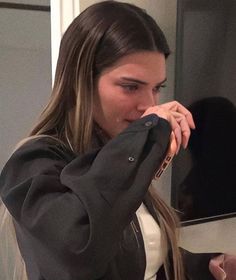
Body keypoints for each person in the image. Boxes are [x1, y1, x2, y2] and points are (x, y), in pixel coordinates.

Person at [0, 1, 235, 279]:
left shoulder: (116, 155)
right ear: (81, 82)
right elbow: (78, 251)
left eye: (157, 88)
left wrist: (208, 266)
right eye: (130, 86)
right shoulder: (33, 163)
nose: (148, 105)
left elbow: (140, 258)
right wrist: (148, 131)